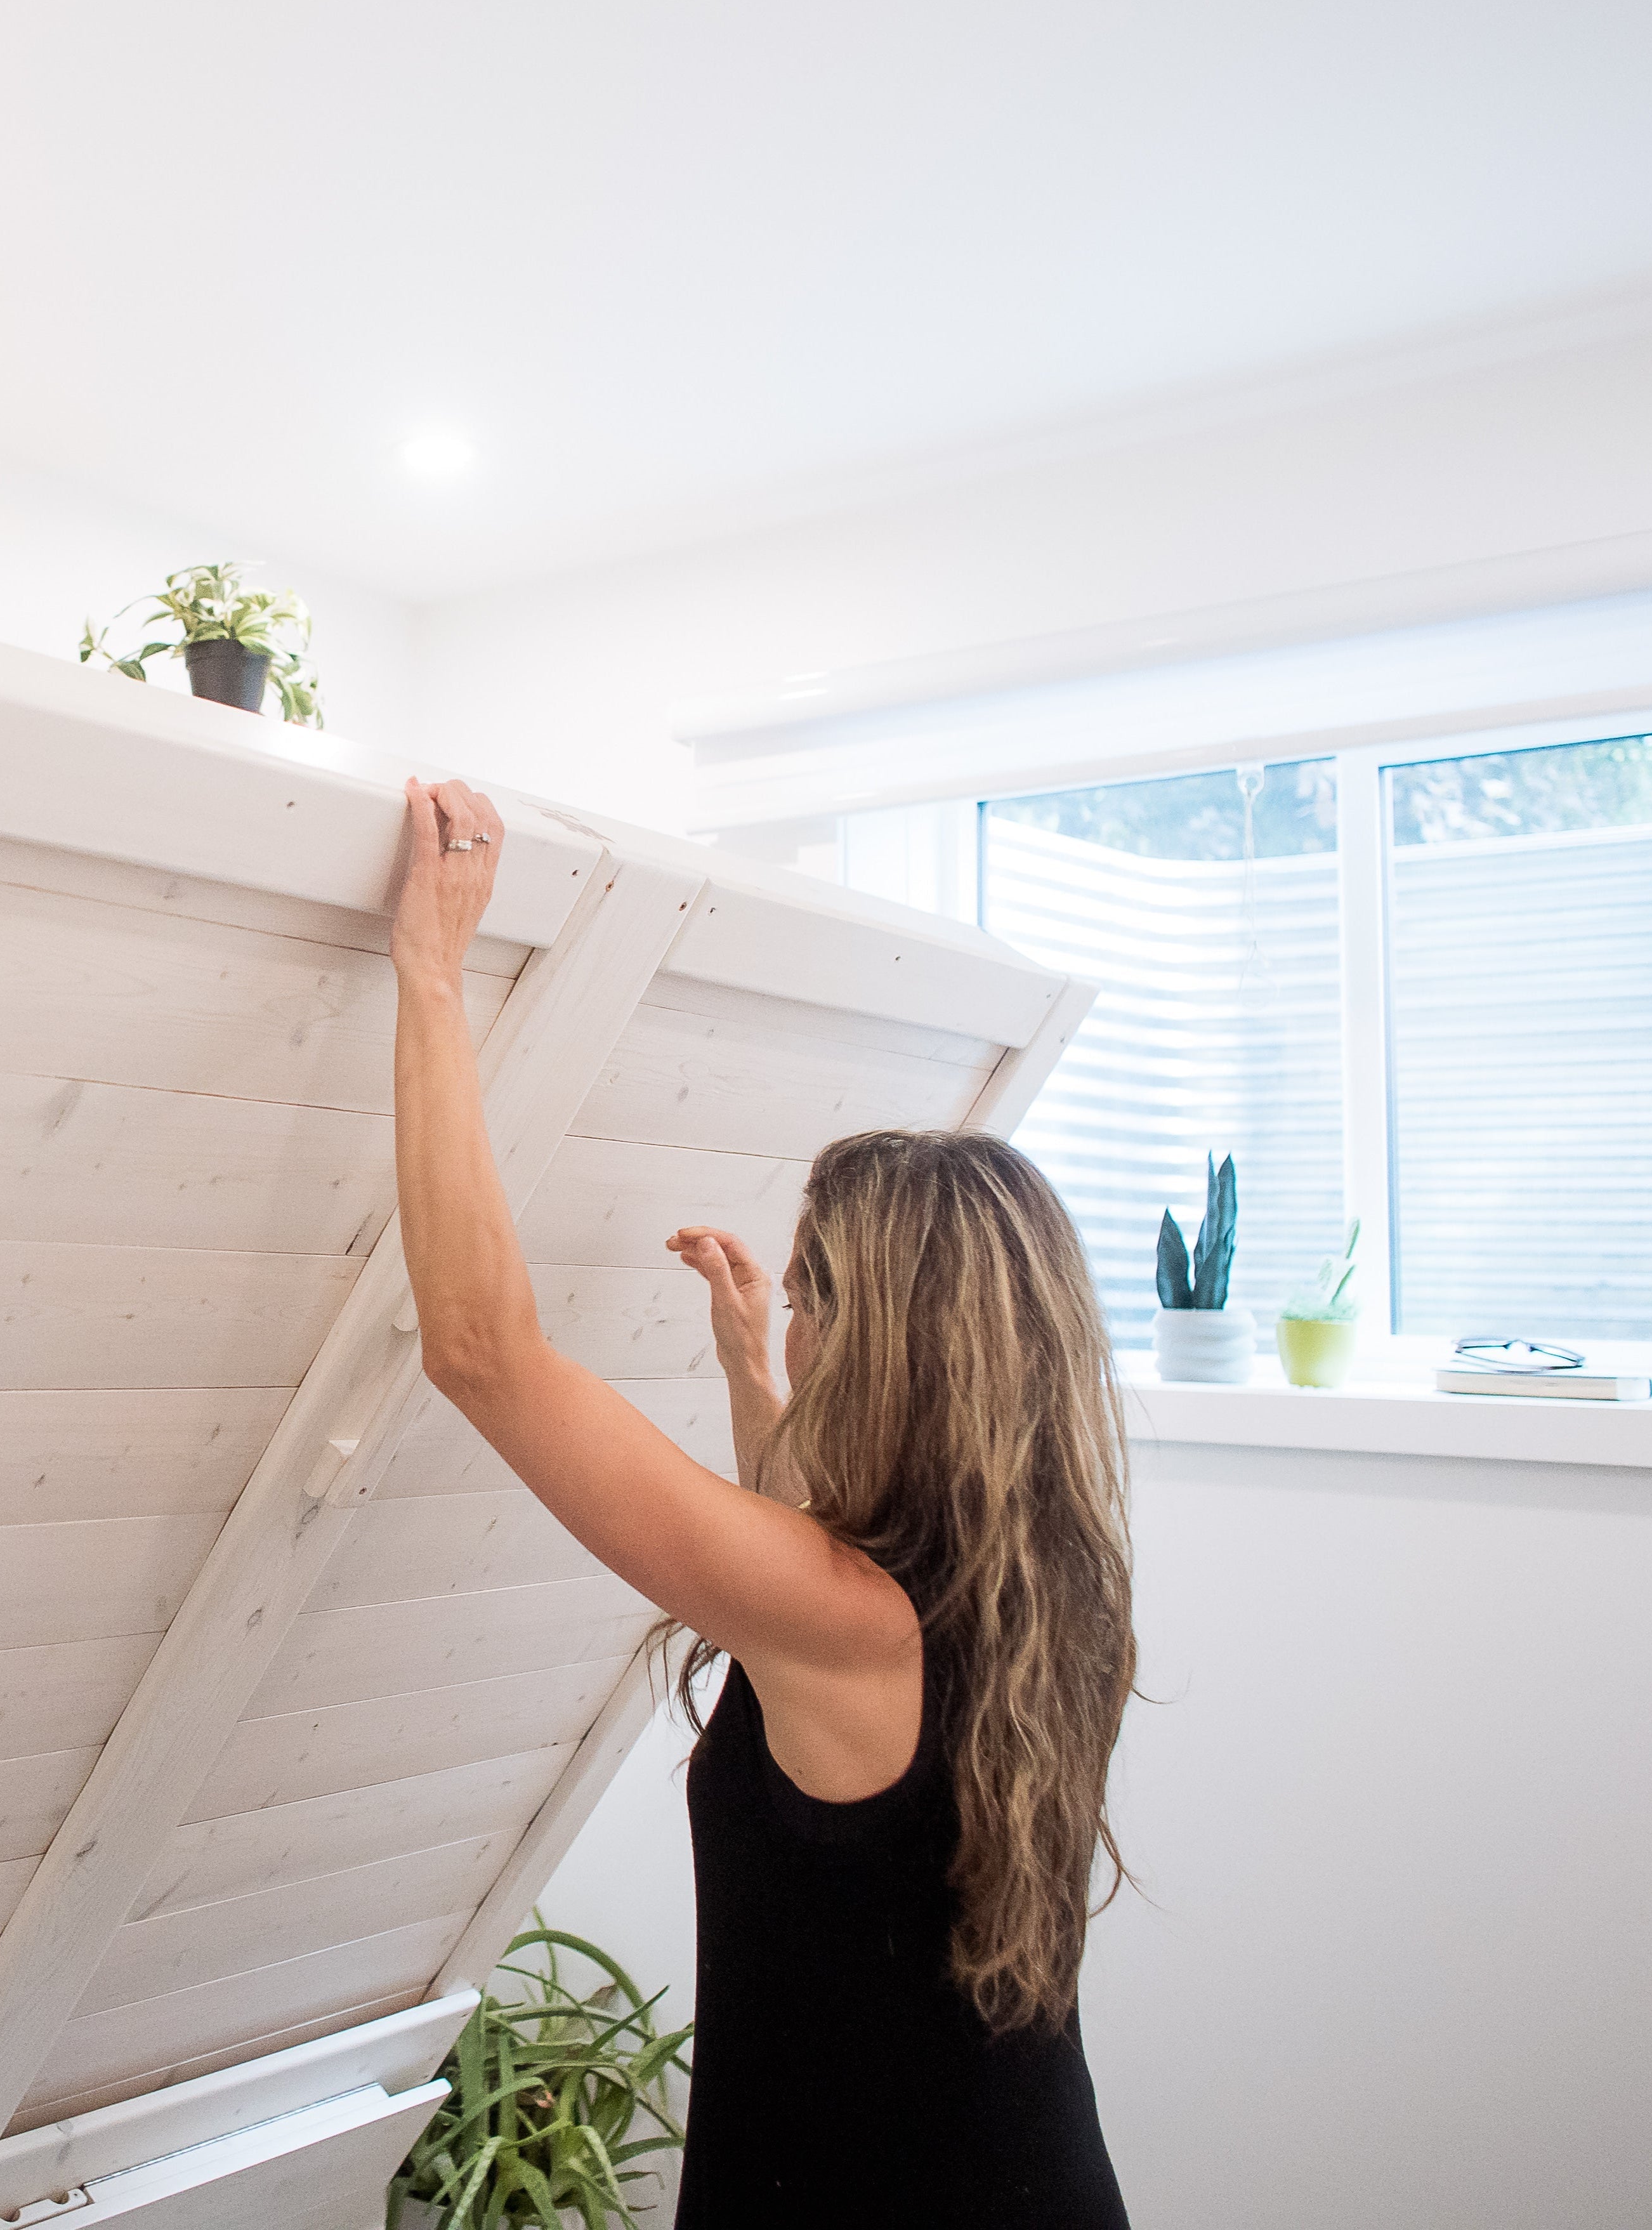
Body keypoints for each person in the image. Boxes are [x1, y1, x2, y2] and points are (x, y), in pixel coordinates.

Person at [392, 775, 1134, 2227]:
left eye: (808, 1302)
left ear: (882, 1345)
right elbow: (816, 1549)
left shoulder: (844, 1623)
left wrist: (432, 970)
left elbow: (481, 1350)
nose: (789, 1323)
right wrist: (753, 1365)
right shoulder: (1050, 1578)